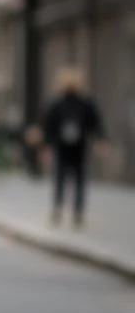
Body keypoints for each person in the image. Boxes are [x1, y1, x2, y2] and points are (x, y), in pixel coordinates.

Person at [41, 67, 105, 227]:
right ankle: (63, 210)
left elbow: (95, 124)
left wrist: (100, 139)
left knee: (73, 179)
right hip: (65, 147)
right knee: (66, 179)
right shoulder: (59, 104)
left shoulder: (82, 103)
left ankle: (72, 211)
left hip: (77, 147)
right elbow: (49, 126)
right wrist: (46, 145)